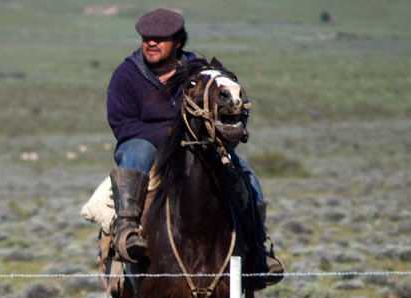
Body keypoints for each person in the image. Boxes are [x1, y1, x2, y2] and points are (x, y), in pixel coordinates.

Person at [106, 7, 281, 280]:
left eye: (159, 38)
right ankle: (127, 230)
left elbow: (222, 104)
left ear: (177, 43)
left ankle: (259, 251)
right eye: (146, 37)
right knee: (134, 153)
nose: (151, 42)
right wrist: (171, 136)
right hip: (144, 142)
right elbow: (121, 123)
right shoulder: (127, 74)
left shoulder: (200, 73)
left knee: (246, 173)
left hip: (196, 144)